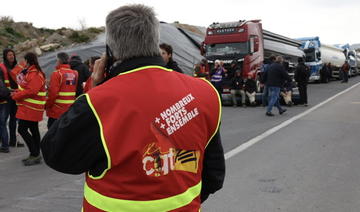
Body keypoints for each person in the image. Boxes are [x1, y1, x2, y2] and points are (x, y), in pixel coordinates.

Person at [41, 4, 225, 211]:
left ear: (110, 51)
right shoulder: (204, 92)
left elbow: (56, 154)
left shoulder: (98, 102)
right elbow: (214, 174)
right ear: (154, 40)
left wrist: (94, 90)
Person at [10, 52, 46, 166]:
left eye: (24, 61)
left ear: (28, 61)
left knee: (22, 129)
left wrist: (16, 96)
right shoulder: (32, 72)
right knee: (34, 129)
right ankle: (35, 153)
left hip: (31, 108)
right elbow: (26, 88)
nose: (23, 63)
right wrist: (17, 92)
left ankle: (35, 153)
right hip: (31, 107)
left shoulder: (35, 74)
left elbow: (32, 91)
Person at [45, 52, 78, 129]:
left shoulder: (57, 74)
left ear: (59, 61)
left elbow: (53, 94)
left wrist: (47, 105)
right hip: (69, 109)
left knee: (52, 132)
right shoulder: (75, 73)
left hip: (57, 110)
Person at [0, 49, 24, 147]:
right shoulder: (1, 67)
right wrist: (7, 93)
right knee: (3, 121)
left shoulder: (17, 67)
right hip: (7, 97)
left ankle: (13, 141)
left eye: (13, 54)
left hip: (16, 96)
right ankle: (4, 141)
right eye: (9, 55)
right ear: (5, 56)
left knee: (14, 120)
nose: (12, 56)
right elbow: (1, 84)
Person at [0, 68, 11, 153]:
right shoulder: (2, 81)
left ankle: (5, 146)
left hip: (2, 103)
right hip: (5, 103)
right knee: (3, 125)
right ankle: (5, 145)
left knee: (2, 125)